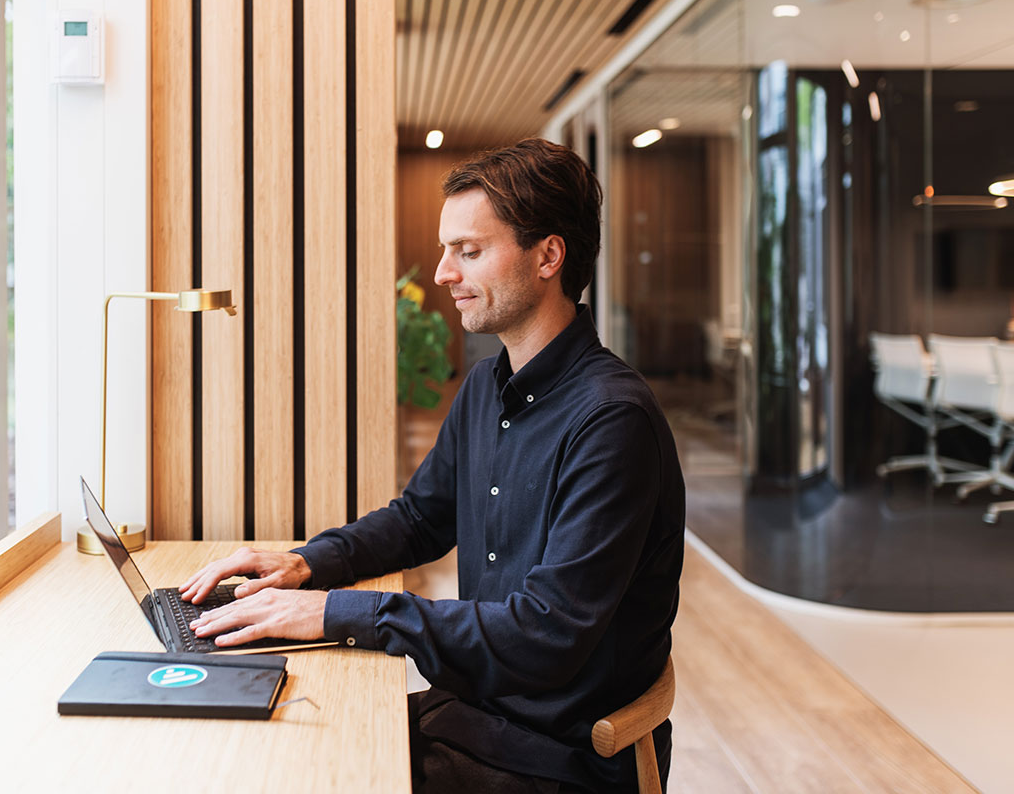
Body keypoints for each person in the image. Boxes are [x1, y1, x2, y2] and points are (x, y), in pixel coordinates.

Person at [180, 138, 685, 793]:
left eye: (468, 252)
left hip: (557, 758)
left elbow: (545, 635)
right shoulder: (484, 386)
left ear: (548, 256)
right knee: (276, 749)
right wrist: (307, 564)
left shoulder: (613, 421)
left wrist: (340, 614)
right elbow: (421, 518)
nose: (444, 273)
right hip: (478, 715)